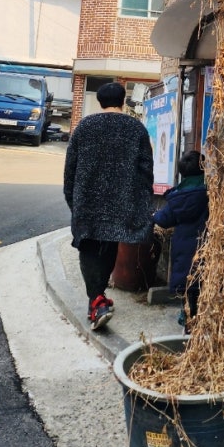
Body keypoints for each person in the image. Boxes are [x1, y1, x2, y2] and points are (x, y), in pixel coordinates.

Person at [63, 82, 154, 330]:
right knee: (109, 246)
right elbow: (145, 171)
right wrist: (142, 203)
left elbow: (70, 169)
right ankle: (98, 299)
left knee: (88, 246)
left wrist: (73, 200)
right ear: (123, 101)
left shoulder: (85, 126)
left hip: (87, 201)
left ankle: (96, 300)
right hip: (120, 202)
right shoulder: (136, 128)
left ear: (100, 102)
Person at [153, 150, 224, 331]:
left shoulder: (177, 196)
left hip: (185, 254)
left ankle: (190, 324)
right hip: (211, 251)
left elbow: (163, 220)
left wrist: (153, 216)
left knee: (190, 292)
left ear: (182, 172)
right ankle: (217, 325)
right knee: (214, 289)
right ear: (204, 168)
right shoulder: (216, 192)